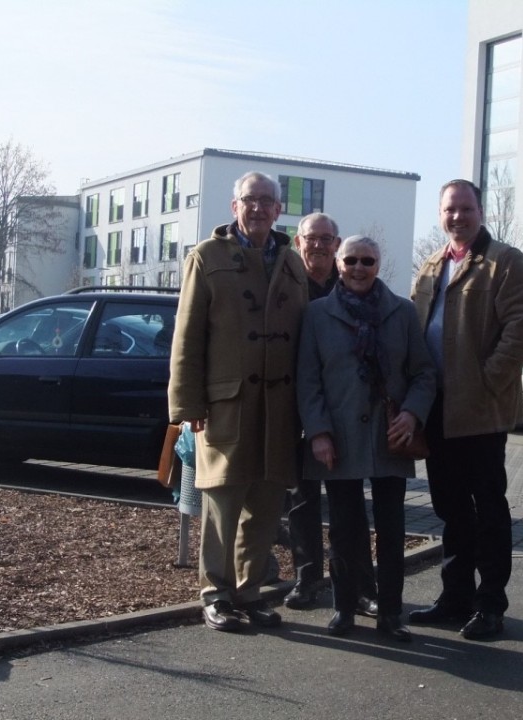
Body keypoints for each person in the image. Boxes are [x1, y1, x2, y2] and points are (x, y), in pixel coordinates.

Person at [168, 171, 309, 632]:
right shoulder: (206, 257)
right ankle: (216, 594)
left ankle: (249, 593)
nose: (259, 208)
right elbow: (186, 336)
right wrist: (187, 404)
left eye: (267, 201)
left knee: (265, 506)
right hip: (227, 404)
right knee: (222, 505)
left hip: (279, 408)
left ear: (278, 210)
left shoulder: (291, 262)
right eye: (250, 199)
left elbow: (305, 338)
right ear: (235, 207)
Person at [409, 179, 523, 640]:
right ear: (440, 214)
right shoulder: (431, 264)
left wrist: (489, 377)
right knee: (450, 510)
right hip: (438, 410)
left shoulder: (504, 262)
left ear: (479, 211)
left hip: (481, 410)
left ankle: (490, 605)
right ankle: (455, 598)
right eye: (449, 210)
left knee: (488, 509)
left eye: (465, 209)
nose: (457, 217)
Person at [297, 235, 436, 641]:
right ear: (339, 264)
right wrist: (318, 432)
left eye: (368, 261)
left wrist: (412, 413)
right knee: (344, 528)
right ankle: (344, 607)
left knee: (391, 529)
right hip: (337, 438)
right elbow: (308, 380)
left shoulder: (403, 313)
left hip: (390, 435)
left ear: (379, 265)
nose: (359, 268)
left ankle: (391, 613)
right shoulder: (317, 314)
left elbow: (424, 372)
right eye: (352, 260)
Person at [283, 212, 379, 617]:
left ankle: (359, 585)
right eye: (311, 237)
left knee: (348, 502)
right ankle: (307, 580)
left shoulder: (350, 287)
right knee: (301, 500)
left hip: (339, 409)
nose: (319, 245)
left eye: (327, 238)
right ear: (298, 242)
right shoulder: (284, 285)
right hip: (291, 404)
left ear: (337, 245)